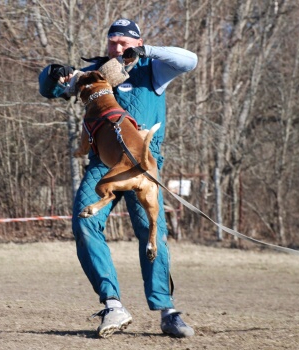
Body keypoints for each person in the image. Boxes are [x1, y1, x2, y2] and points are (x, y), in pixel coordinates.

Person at [38, 18, 197, 338]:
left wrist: (146, 51)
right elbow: (51, 90)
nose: (117, 47)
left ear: (137, 42)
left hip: (142, 163)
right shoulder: (97, 72)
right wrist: (53, 74)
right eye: (113, 41)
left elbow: (189, 60)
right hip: (102, 162)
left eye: (124, 42)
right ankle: (113, 305)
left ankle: (167, 311)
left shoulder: (154, 69)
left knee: (152, 231)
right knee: (84, 222)